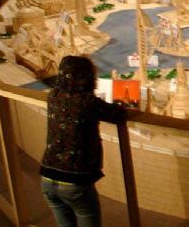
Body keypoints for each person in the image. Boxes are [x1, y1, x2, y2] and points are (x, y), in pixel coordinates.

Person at [40, 55, 127, 227]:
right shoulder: (87, 102)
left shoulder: (53, 96)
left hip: (47, 177)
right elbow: (119, 114)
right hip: (75, 182)